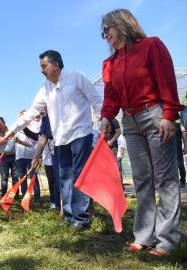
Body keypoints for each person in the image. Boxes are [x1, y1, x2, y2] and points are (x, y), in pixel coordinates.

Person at [99, 9, 184, 256]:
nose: (105, 35)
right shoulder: (110, 63)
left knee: (165, 179)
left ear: (122, 24)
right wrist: (106, 116)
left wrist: (169, 115)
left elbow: (167, 80)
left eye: (108, 29)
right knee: (142, 179)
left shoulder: (151, 46)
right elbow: (111, 95)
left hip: (154, 115)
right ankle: (144, 236)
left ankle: (167, 239)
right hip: (129, 121)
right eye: (102, 32)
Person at [4, 50, 102, 230]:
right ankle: (69, 217)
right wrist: (13, 129)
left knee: (79, 176)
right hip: (60, 139)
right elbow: (33, 112)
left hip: (81, 134)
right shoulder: (45, 89)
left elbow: (96, 101)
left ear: (56, 64)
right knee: (64, 177)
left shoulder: (77, 77)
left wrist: (104, 123)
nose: (42, 71)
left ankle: (81, 219)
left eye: (44, 66)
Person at [14, 111, 41, 202]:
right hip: (19, 157)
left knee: (33, 177)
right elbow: (12, 141)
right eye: (20, 118)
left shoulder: (33, 128)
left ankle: (37, 198)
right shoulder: (17, 128)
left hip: (30, 156)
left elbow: (32, 144)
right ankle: (25, 198)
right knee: (22, 178)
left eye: (22, 117)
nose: (21, 119)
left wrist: (20, 142)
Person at [0, 117, 18, 197]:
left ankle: (15, 195)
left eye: (0, 124)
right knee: (4, 178)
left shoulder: (11, 131)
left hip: (14, 156)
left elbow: (14, 142)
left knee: (15, 177)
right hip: (3, 159)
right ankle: (4, 195)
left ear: (4, 123)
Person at [174, 122, 186, 187]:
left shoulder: (179, 124)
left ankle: (183, 181)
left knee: (180, 164)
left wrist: (186, 146)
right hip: (168, 150)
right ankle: (174, 183)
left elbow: (184, 134)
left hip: (178, 148)